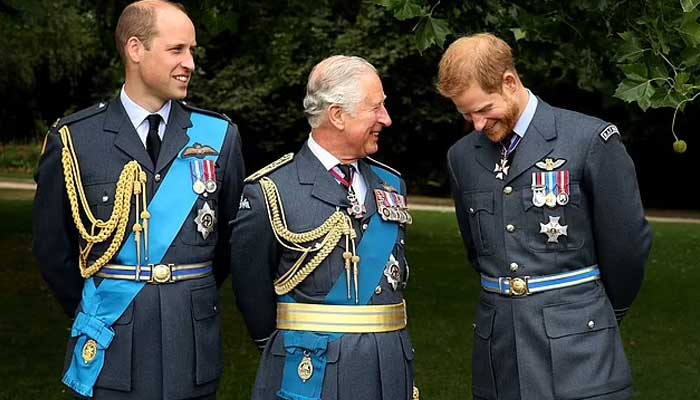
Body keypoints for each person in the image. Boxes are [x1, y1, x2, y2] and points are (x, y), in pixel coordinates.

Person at [32, 1, 244, 398]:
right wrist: (97, 309)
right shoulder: (76, 140)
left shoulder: (219, 137)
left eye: (192, 51)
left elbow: (228, 246)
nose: (190, 63)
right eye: (176, 49)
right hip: (110, 347)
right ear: (135, 49)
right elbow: (52, 250)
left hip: (191, 349)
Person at [437, 33, 652, 400]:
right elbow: (478, 251)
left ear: (509, 82)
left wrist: (600, 314)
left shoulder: (588, 140)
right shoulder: (462, 157)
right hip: (499, 352)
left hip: (581, 352)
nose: (477, 124)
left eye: (484, 109)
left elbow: (627, 247)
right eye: (465, 114)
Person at [231, 55, 418, 400]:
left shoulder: (391, 184)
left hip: (388, 367)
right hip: (311, 370)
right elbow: (252, 293)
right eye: (375, 108)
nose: (386, 119)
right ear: (337, 115)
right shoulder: (272, 191)